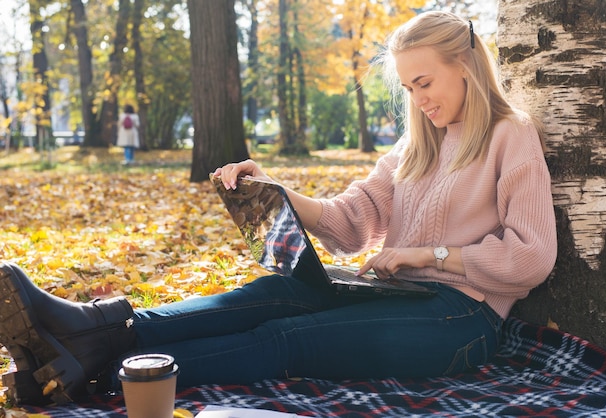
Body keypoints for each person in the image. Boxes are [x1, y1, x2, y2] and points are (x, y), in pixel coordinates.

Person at [0, 11, 557, 406]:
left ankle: (100, 368)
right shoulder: (416, 146)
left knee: (291, 339)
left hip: (460, 318)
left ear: (465, 64)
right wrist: (276, 192)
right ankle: (93, 329)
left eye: (424, 82)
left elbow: (532, 258)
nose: (418, 100)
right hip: (394, 292)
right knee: (272, 295)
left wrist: (425, 253)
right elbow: (350, 223)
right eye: (409, 88)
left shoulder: (512, 135)